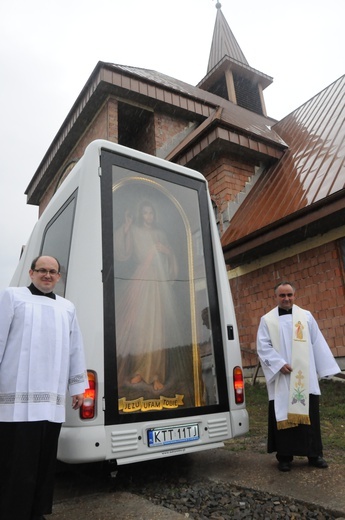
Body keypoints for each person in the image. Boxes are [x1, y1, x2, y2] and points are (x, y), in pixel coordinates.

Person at [0, 255, 89, 520]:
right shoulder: (12, 297)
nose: (47, 275)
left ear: (59, 277)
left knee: (43, 460)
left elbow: (75, 349)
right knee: (15, 461)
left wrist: (77, 388)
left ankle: (36, 511)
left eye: (53, 271)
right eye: (42, 270)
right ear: (31, 272)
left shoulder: (67, 307)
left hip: (50, 400)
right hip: (14, 400)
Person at [256, 281, 340, 472]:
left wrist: (326, 369)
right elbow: (263, 347)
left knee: (309, 417)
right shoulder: (267, 320)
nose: (286, 299)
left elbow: (317, 342)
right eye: (282, 295)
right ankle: (285, 457)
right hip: (282, 378)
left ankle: (314, 455)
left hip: (304, 377)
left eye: (289, 295)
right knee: (284, 416)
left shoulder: (307, 317)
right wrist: (278, 364)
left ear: (295, 296)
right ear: (275, 297)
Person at [114, 201, 179, 391]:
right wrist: (126, 227)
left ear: (154, 215)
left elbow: (170, 258)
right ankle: (139, 371)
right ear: (140, 215)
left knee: (156, 327)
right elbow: (123, 253)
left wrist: (165, 251)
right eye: (145, 213)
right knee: (140, 325)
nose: (148, 216)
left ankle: (157, 375)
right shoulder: (133, 230)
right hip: (141, 279)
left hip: (157, 282)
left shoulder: (161, 235)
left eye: (151, 213)